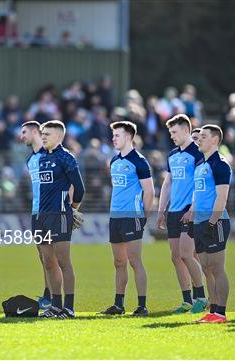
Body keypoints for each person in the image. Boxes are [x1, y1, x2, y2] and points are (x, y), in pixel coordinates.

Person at [101, 121, 154, 316]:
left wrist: (144, 217)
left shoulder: (139, 161)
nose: (113, 138)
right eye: (113, 135)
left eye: (117, 135)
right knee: (118, 262)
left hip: (132, 216)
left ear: (129, 137)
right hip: (115, 217)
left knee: (134, 260)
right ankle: (119, 304)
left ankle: (142, 306)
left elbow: (149, 192)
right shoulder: (114, 161)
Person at [157, 115, 208, 314]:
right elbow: (168, 183)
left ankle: (201, 297)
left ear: (186, 131)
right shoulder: (172, 154)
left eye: (175, 132)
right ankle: (187, 300)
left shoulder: (197, 153)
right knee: (176, 256)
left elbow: (200, 183)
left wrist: (193, 208)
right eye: (170, 133)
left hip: (189, 210)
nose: (172, 136)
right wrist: (161, 210)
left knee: (187, 254)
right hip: (174, 211)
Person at [183, 125, 232, 323]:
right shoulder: (201, 165)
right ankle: (212, 310)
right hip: (200, 222)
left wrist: (212, 221)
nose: (198, 139)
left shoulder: (220, 164)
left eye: (203, 136)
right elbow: (198, 195)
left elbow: (222, 197)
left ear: (214, 140)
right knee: (206, 268)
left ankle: (221, 312)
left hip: (215, 222)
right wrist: (192, 216)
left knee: (217, 267)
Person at [37, 120, 85, 318]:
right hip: (43, 216)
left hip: (59, 215)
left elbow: (80, 189)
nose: (43, 136)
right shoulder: (41, 159)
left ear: (58, 136)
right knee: (48, 262)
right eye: (42, 133)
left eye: (47, 133)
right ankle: (55, 306)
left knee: (64, 261)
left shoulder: (66, 158)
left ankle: (69, 307)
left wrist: (72, 209)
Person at [20, 121, 54, 310]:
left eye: (24, 132)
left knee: (53, 257)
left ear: (35, 131)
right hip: (37, 212)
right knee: (42, 256)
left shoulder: (50, 155)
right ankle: (48, 294)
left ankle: (55, 297)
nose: (21, 136)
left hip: (51, 212)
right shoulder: (31, 159)